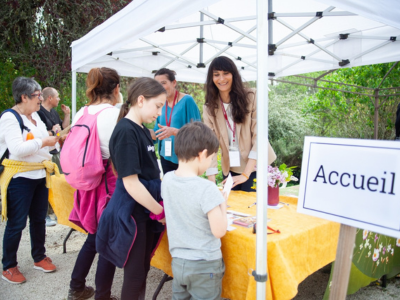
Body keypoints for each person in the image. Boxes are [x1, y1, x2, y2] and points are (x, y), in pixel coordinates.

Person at [96, 77, 166, 300]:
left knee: (143, 270)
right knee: (135, 276)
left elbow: (151, 171)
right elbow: (131, 182)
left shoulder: (143, 130)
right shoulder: (126, 131)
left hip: (144, 212)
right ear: (141, 100)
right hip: (132, 213)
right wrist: (160, 211)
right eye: (157, 106)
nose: (159, 112)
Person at [67, 68, 120, 300]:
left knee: (93, 236)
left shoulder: (82, 112)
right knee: (107, 240)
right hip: (107, 184)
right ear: (116, 88)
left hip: (87, 184)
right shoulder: (113, 114)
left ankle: (77, 287)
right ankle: (103, 296)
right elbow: (119, 153)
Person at [0, 77, 60, 284]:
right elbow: (17, 149)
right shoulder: (10, 117)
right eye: (37, 95)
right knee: (16, 223)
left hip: (39, 174)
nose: (40, 99)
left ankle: (39, 257)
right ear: (24, 97)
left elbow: (45, 145)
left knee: (38, 219)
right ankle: (9, 265)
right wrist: (44, 141)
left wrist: (56, 141)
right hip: (20, 177)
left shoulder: (35, 116)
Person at [162, 122, 228, 299]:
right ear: (203, 154)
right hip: (205, 265)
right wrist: (222, 203)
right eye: (211, 158)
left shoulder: (167, 180)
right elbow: (219, 230)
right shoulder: (207, 188)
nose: (209, 163)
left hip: (178, 262)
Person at [203, 56, 276, 191]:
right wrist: (211, 183)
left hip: (256, 166)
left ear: (234, 75)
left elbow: (259, 137)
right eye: (216, 75)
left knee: (253, 208)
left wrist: (245, 174)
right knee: (233, 207)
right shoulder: (209, 108)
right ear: (211, 78)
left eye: (226, 73)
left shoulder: (252, 97)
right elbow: (210, 145)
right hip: (231, 168)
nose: (221, 79)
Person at [152, 68, 201, 174]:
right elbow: (157, 132)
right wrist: (139, 129)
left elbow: (199, 133)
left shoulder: (187, 101)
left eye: (163, 83)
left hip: (184, 158)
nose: (160, 87)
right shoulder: (161, 103)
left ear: (174, 83)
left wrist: (174, 132)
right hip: (165, 156)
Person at [37, 87, 71, 226]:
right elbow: (48, 134)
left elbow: (61, 130)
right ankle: (44, 216)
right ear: (49, 98)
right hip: (45, 154)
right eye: (57, 96)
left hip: (56, 152)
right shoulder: (39, 113)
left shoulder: (54, 112)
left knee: (59, 182)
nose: (59, 99)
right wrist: (54, 132)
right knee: (44, 185)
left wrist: (67, 114)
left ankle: (59, 212)